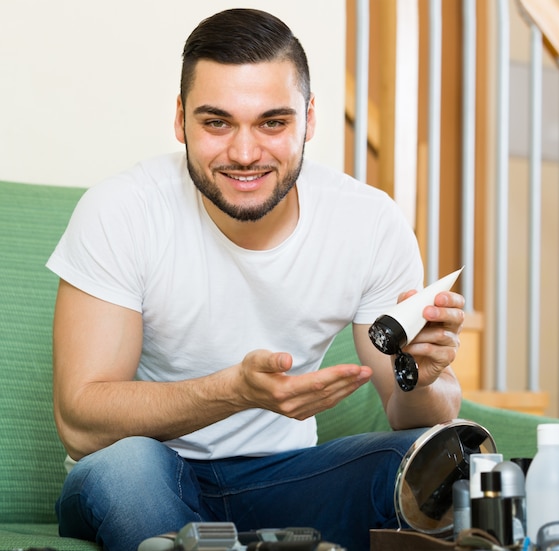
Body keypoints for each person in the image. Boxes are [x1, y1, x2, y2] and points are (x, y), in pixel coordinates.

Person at [47, 8, 464, 551]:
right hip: (143, 472)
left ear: (310, 119)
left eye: (273, 122)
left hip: (282, 478)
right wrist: (234, 392)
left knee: (430, 462)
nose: (245, 154)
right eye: (216, 122)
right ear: (180, 120)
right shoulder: (121, 210)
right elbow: (81, 422)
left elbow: (406, 415)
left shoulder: (368, 222)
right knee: (126, 466)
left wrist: (424, 377)